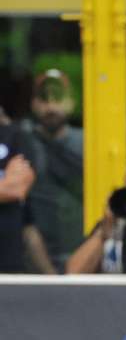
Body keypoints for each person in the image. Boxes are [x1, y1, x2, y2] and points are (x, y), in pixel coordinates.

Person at [25, 69, 84, 271]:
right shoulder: (22, 140)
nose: (51, 106)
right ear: (33, 104)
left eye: (58, 98)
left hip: (84, 257)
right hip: (31, 263)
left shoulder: (90, 143)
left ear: (72, 103)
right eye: (43, 98)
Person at [0, 121, 55, 273]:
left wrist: (53, 280)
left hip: (8, 263)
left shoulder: (14, 135)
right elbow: (10, 188)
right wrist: (5, 184)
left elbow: (16, 188)